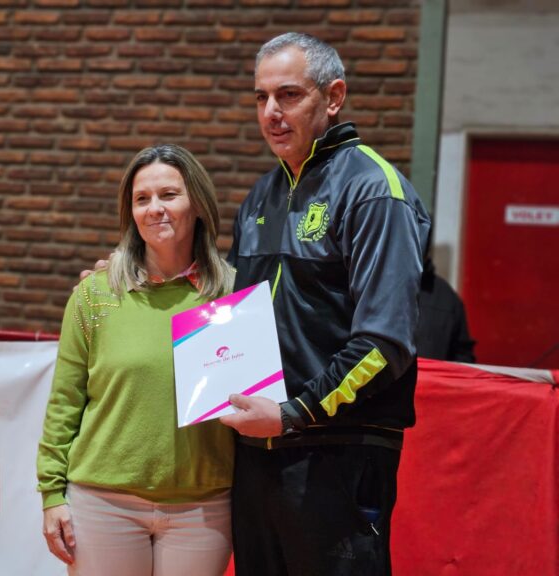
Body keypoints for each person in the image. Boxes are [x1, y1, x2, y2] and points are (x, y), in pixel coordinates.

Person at [217, 33, 431, 576]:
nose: (271, 112)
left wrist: (293, 415)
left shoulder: (375, 190)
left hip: (338, 453)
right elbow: (234, 312)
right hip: (257, 454)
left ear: (333, 96)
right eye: (261, 97)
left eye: (288, 95)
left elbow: (385, 342)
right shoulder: (259, 196)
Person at [36, 144, 235, 576]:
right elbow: (65, 402)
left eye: (168, 194)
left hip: (202, 506)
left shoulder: (233, 295)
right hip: (102, 504)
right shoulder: (95, 295)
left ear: (198, 203)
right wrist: (52, 495)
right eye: (142, 199)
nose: (155, 209)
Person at [417, 252, 477, 362]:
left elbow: (462, 355)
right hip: (382, 376)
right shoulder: (378, 284)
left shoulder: (447, 296)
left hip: (429, 378)